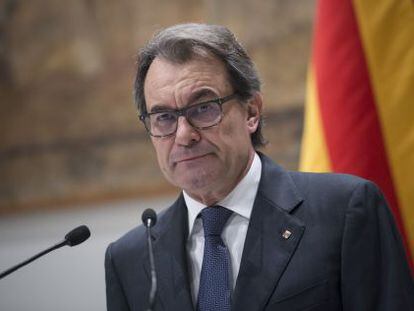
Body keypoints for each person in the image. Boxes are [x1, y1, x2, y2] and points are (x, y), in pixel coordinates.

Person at [105, 23, 414, 311]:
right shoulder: (129, 259)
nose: (184, 135)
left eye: (203, 108)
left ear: (251, 112)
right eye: (164, 117)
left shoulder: (345, 211)